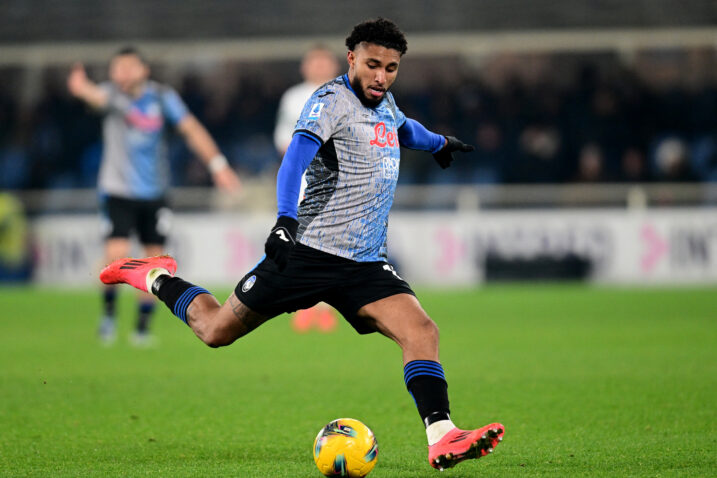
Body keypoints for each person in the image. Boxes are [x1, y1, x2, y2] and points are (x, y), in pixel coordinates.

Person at [100, 19, 503, 470]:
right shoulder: (329, 102)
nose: (381, 77)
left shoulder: (384, 102)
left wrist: (439, 143)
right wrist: (285, 221)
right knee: (214, 330)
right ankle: (153, 274)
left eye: (391, 68)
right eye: (372, 65)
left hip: (365, 263)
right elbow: (294, 160)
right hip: (307, 252)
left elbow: (404, 128)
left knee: (422, 331)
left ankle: (442, 436)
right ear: (350, 58)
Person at [67, 46, 240, 345]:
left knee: (154, 263)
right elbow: (95, 96)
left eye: (128, 67)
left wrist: (217, 164)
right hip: (117, 191)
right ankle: (108, 317)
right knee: (115, 255)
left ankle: (142, 328)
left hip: (155, 193)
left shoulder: (162, 98)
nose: (121, 73)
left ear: (143, 70)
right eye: (116, 68)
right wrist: (81, 89)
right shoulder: (112, 96)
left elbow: (191, 129)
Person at [273, 45, 341, 333]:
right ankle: (304, 306)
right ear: (305, 66)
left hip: (340, 181)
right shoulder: (293, 97)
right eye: (314, 62)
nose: (319, 67)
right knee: (302, 243)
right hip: (304, 181)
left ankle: (326, 307)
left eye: (324, 62)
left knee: (333, 242)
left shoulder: (346, 95)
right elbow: (281, 138)